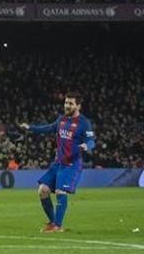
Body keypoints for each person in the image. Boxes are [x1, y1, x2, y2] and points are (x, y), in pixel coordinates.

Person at [20, 92, 95, 233]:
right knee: (43, 191)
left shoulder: (84, 123)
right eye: (66, 102)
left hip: (72, 164)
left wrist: (87, 146)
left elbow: (91, 140)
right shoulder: (61, 120)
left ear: (78, 106)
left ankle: (58, 226)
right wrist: (30, 128)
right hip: (59, 163)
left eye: (70, 103)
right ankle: (53, 222)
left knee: (61, 191)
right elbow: (48, 128)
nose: (67, 105)